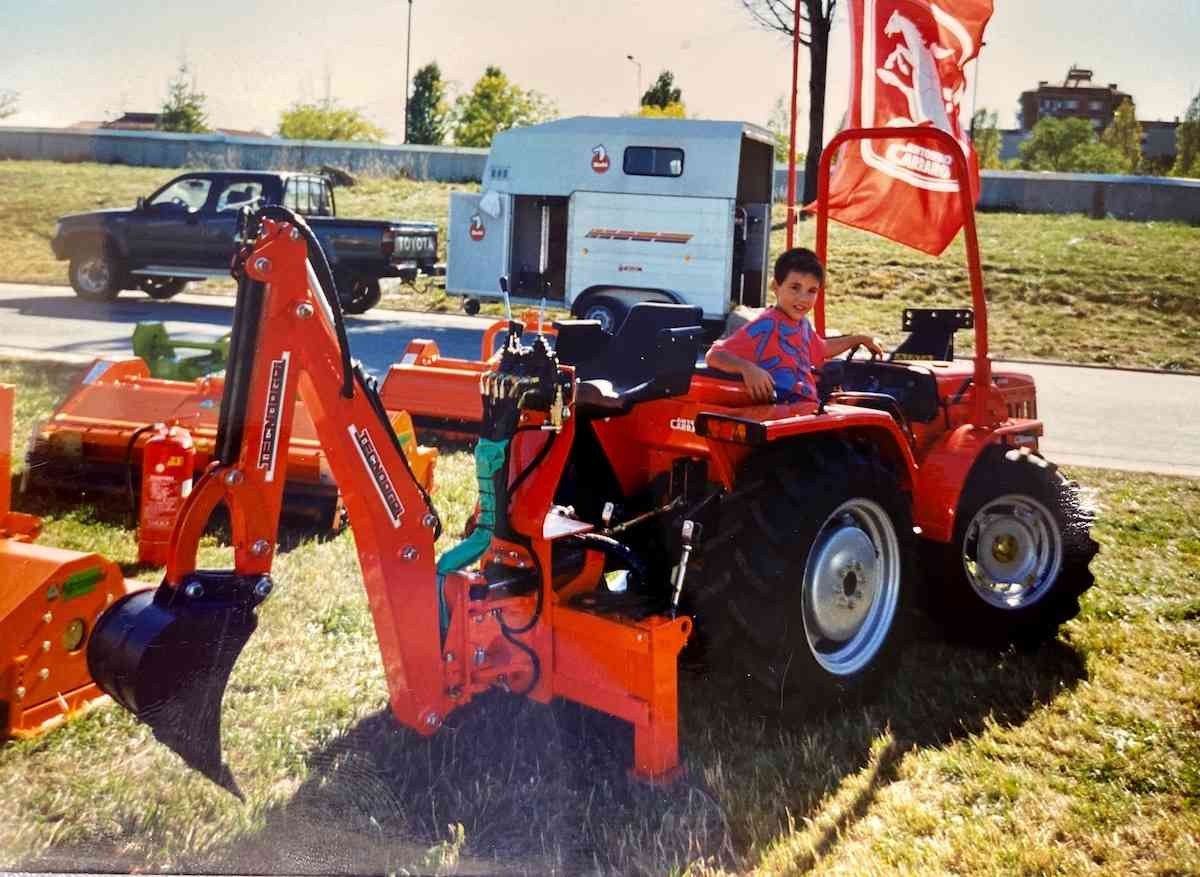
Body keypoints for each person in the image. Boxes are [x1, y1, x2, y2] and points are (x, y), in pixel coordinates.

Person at [705, 247, 883, 406]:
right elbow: (715, 355)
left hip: (806, 409)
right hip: (781, 414)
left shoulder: (802, 325)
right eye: (795, 288)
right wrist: (747, 369)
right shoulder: (766, 325)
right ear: (776, 286)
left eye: (811, 291)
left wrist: (859, 339)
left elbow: (822, 348)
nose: (803, 298)